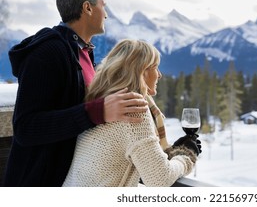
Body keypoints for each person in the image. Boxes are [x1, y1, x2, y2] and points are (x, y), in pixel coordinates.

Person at [3, 0, 148, 187]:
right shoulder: (47, 53)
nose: (106, 14)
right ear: (87, 8)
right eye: (103, 7)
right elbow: (26, 128)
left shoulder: (82, 53)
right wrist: (96, 112)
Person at [63, 39, 201, 187]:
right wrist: (186, 156)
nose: (159, 75)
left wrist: (170, 152)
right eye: (155, 67)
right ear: (141, 71)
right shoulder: (132, 109)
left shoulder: (101, 102)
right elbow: (160, 179)